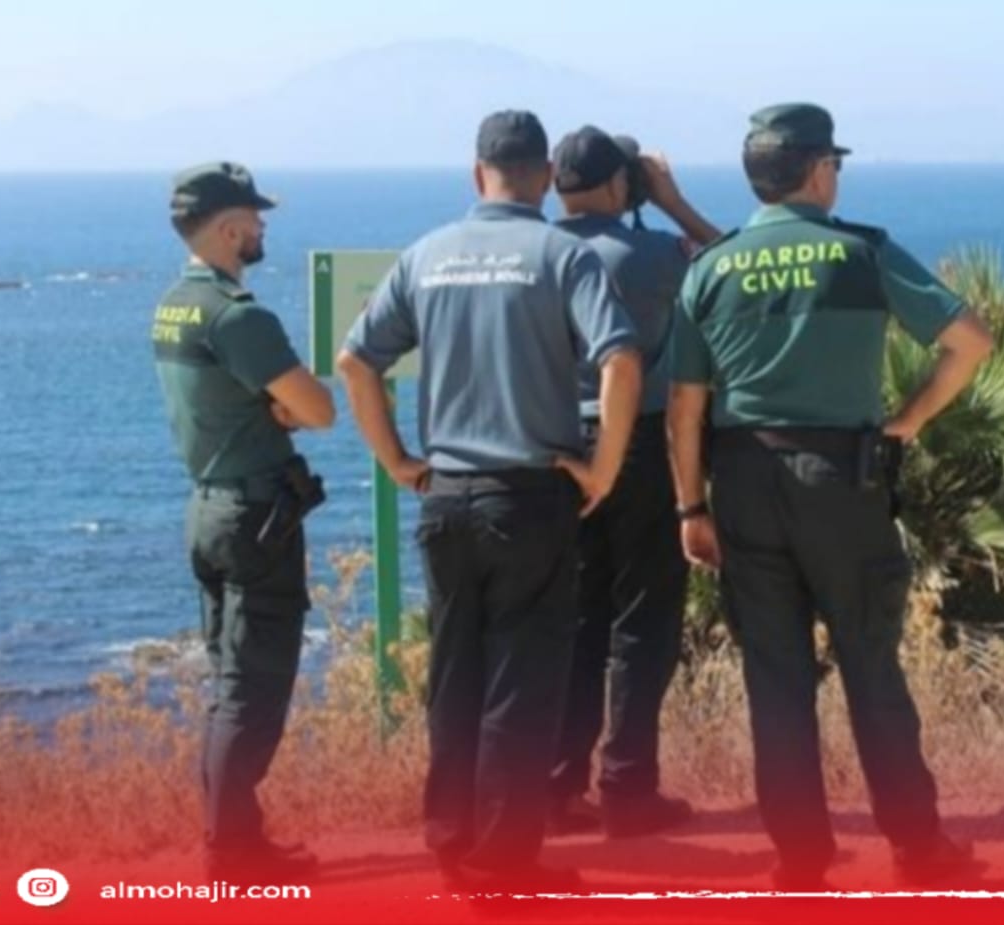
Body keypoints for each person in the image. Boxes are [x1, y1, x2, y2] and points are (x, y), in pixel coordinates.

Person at [666, 104, 994, 890]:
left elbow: (684, 406)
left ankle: (800, 862)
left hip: (744, 482)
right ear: (819, 171)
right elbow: (970, 340)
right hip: (842, 480)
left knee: (775, 681)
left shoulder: (711, 268)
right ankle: (918, 849)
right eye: (835, 164)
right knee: (870, 666)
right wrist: (910, 418)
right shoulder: (860, 252)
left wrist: (691, 508)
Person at [337, 111, 642, 892]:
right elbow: (620, 360)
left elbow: (355, 361)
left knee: (455, 678)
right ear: (545, 177)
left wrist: (398, 460)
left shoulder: (425, 255)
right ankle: (505, 865)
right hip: (529, 496)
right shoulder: (563, 255)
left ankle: (452, 842)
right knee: (521, 684)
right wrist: (603, 470)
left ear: (477, 174)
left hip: (446, 496)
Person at [152, 161, 335, 881]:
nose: (262, 228)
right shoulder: (239, 315)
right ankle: (230, 854)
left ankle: (237, 838)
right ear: (229, 228)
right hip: (256, 518)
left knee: (230, 685)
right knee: (252, 694)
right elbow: (319, 409)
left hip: (208, 508)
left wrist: (272, 406)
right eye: (255, 218)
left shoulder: (174, 304)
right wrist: (283, 407)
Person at [544, 126, 721, 838]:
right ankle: (628, 784)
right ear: (622, 184)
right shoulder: (651, 255)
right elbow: (727, 265)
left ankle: (557, 787)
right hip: (641, 446)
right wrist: (671, 201)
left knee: (576, 620)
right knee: (643, 619)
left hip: (558, 450)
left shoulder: (538, 252)